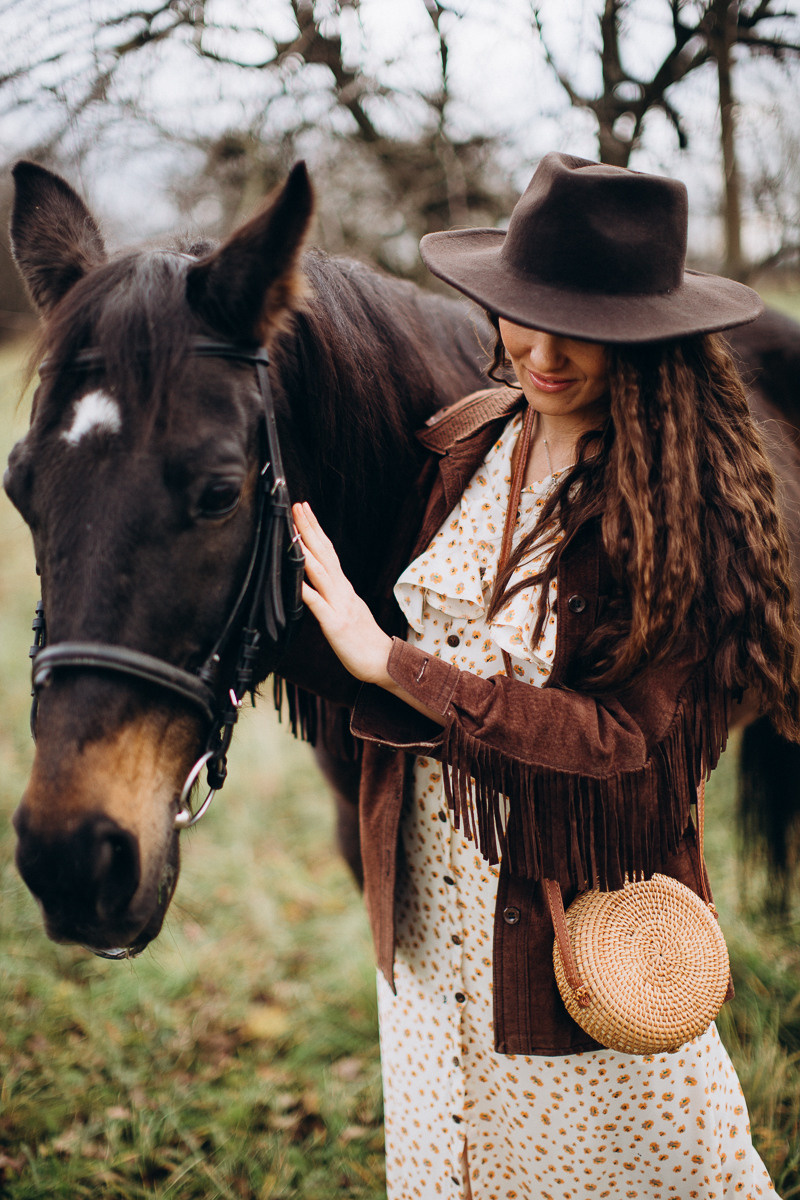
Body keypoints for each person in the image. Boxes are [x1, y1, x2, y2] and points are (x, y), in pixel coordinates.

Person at [292, 152, 798, 1200]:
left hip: (568, 899)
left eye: (586, 330)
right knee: (457, 1154)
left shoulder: (674, 512)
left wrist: (391, 663)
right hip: (428, 889)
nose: (542, 351)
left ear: (647, 343)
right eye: (525, 314)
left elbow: (621, 744)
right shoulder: (466, 441)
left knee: (637, 1158)